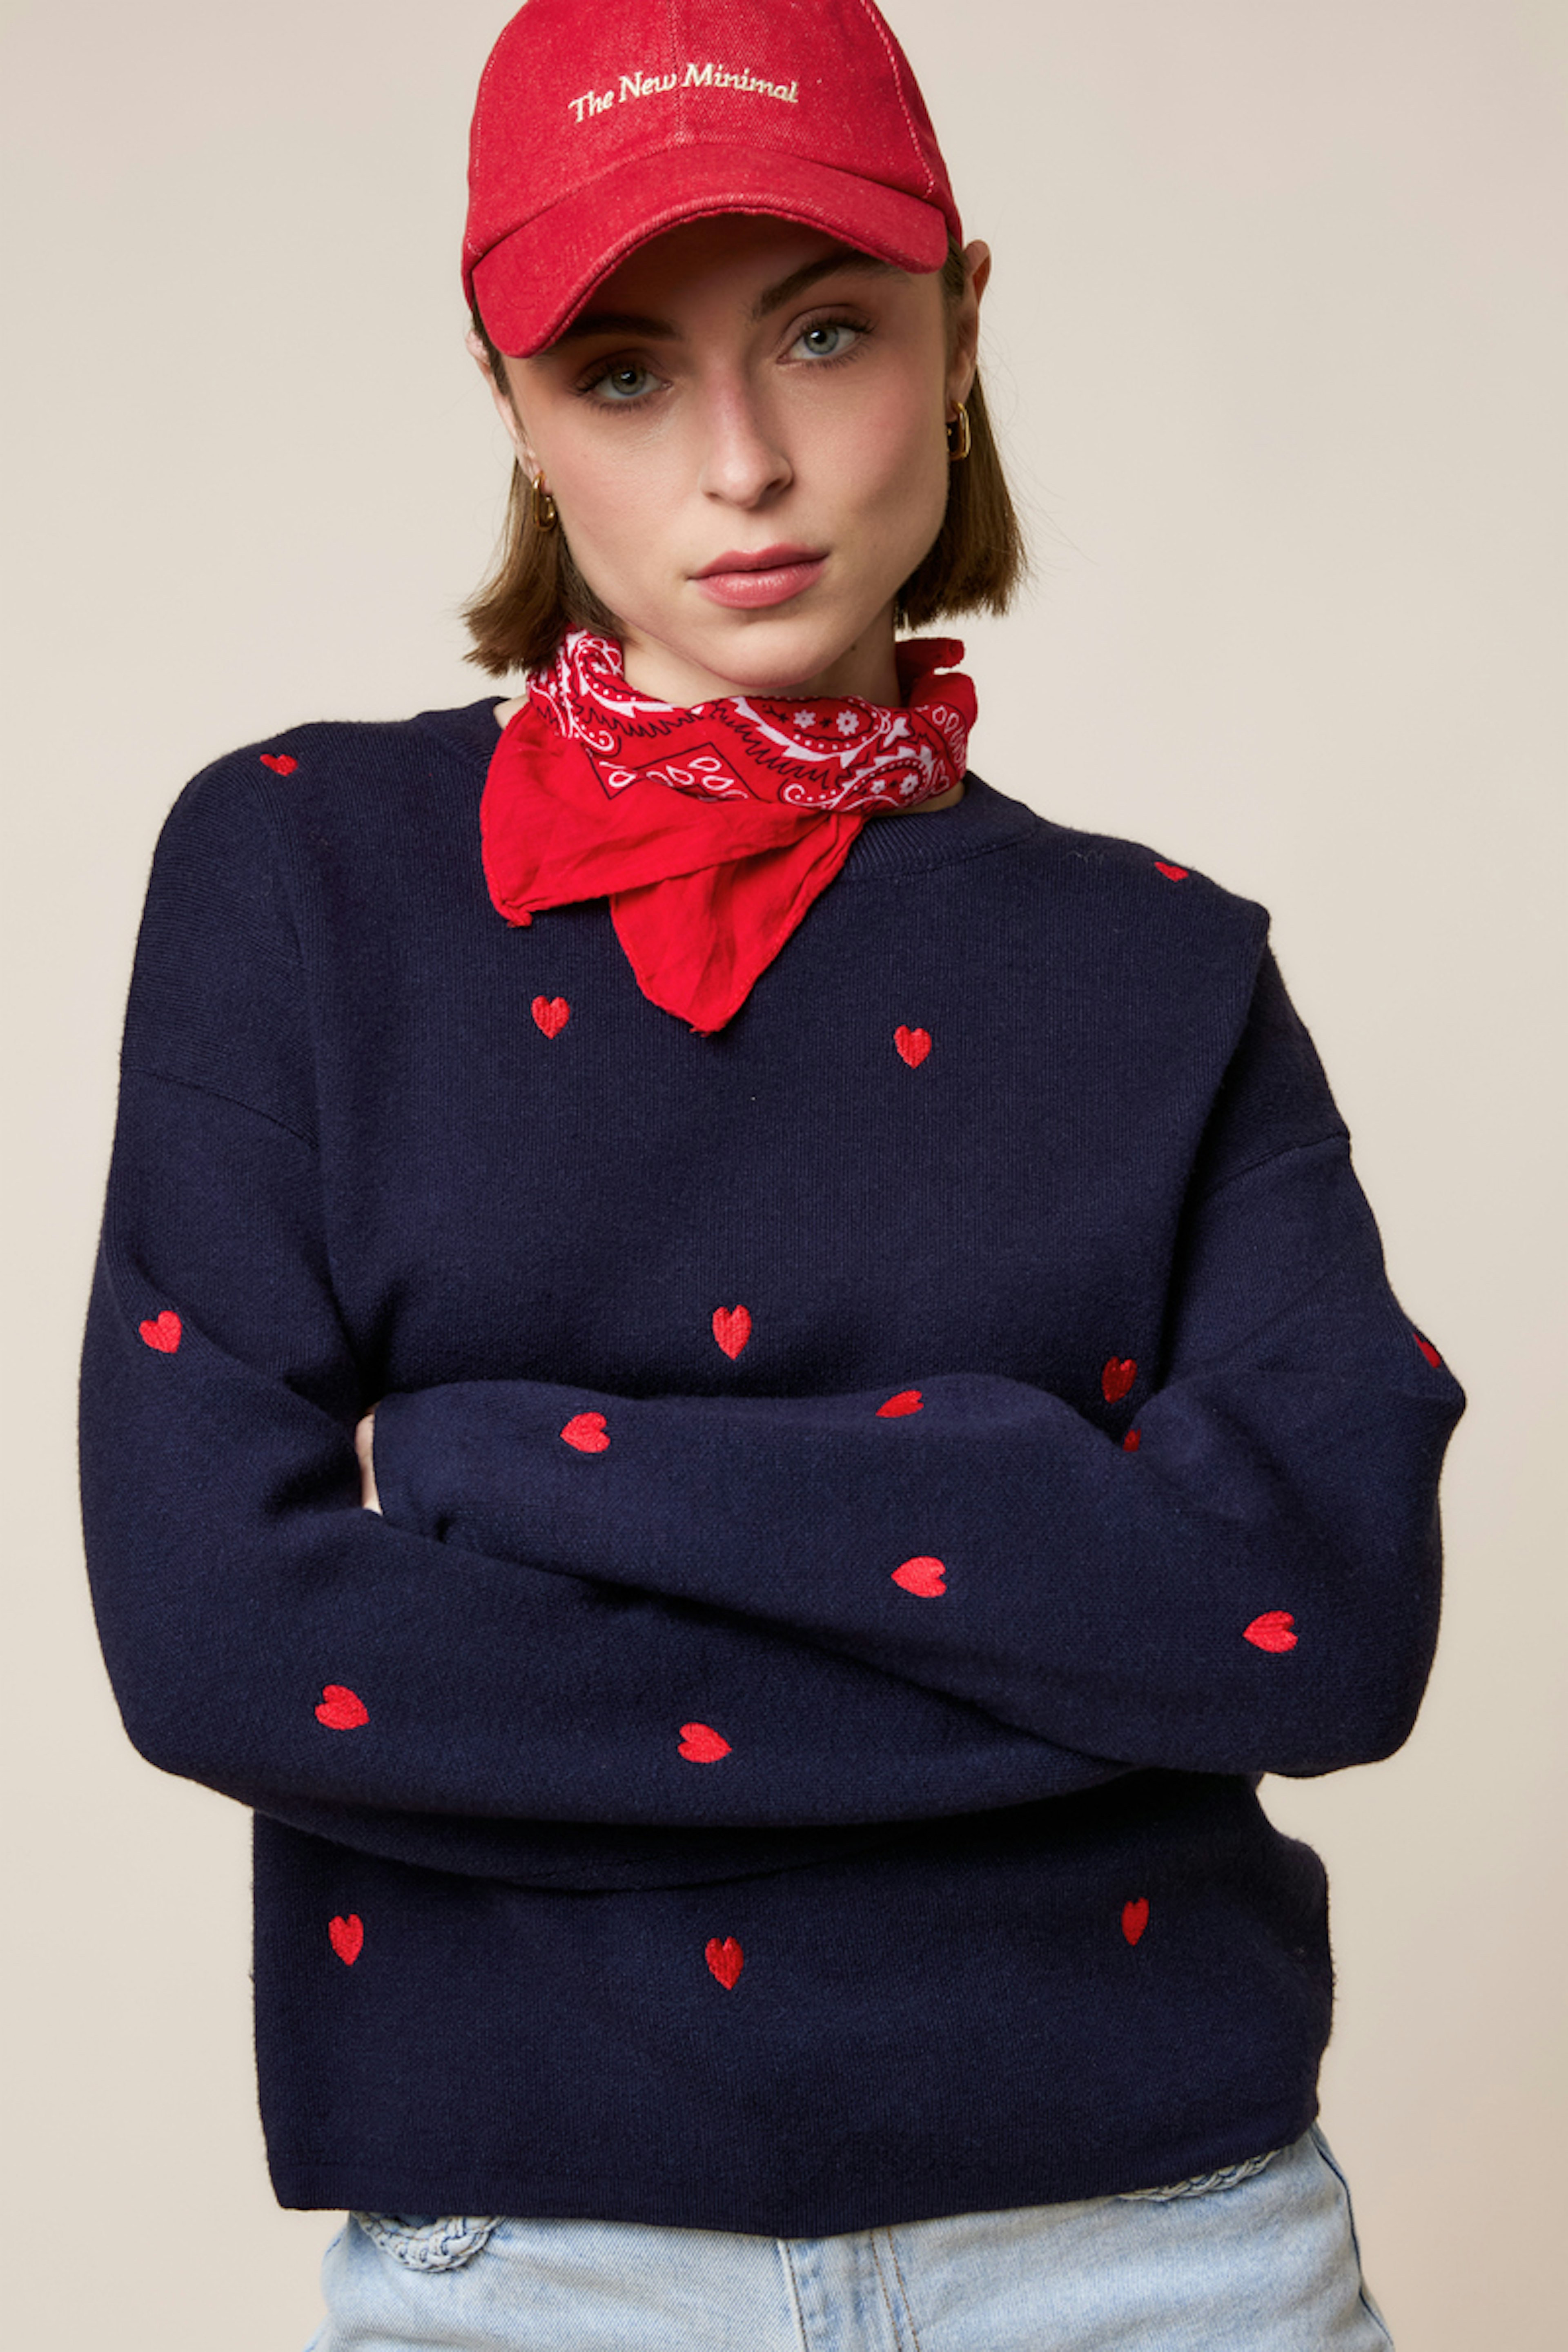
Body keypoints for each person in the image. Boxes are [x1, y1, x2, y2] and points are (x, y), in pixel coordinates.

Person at [78, 1, 1465, 2345]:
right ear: (515, 408)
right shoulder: (296, 877)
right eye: (624, 373)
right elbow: (224, 1644)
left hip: (1171, 2256)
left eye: (826, 334)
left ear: (961, 329)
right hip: (534, 2269)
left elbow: (1318, 1621)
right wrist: (1047, 1579)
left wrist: (514, 1468)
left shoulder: (1164, 964)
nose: (743, 462)